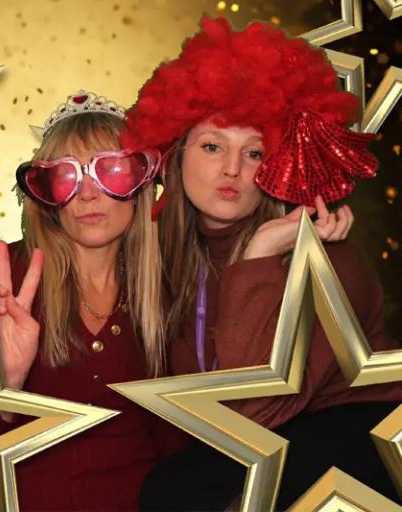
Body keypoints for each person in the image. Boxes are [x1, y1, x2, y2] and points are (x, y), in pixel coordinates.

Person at [121, 16, 402, 510]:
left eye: (254, 152)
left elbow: (259, 408)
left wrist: (257, 257)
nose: (232, 169)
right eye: (213, 147)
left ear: (278, 163)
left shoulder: (326, 258)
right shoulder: (174, 260)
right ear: (176, 152)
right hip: (276, 447)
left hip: (368, 449)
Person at [0, 91, 190, 511]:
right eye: (67, 176)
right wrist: (5, 385)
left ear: (140, 184)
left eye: (110, 172)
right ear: (45, 194)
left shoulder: (168, 287)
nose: (87, 195)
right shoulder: (6, 276)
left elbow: (178, 453)